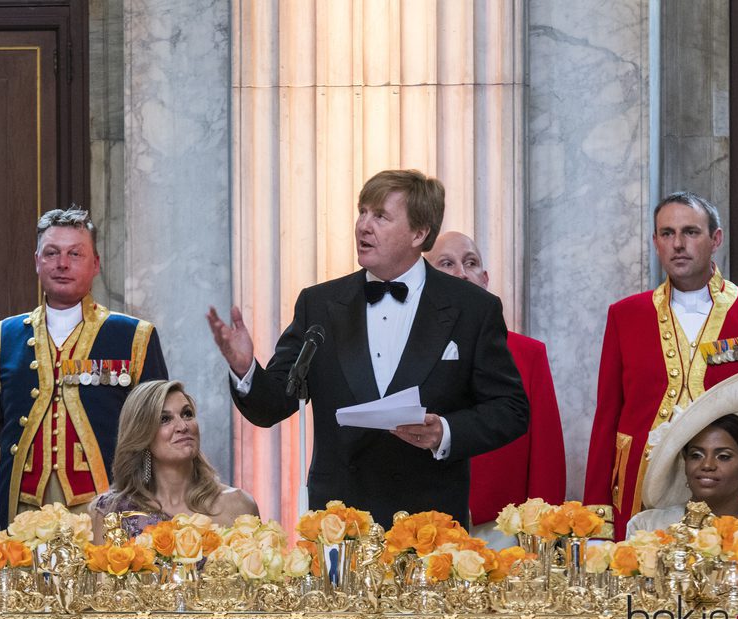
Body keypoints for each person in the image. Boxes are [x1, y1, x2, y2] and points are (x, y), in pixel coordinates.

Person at [206, 169, 529, 528]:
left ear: (419, 233)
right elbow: (272, 405)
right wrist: (245, 368)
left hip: (431, 527)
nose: (363, 225)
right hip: (341, 524)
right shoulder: (321, 304)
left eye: (380, 216)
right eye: (362, 212)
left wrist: (446, 431)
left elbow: (510, 409)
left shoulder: (472, 307)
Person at [585, 191, 738, 540]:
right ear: (655, 242)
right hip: (644, 488)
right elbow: (608, 416)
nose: (678, 244)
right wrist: (598, 514)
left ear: (715, 239)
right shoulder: (626, 315)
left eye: (690, 232)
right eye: (667, 234)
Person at [0, 207, 168, 528]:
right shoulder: (3, 336)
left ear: (96, 264)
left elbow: (155, 430)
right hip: (21, 510)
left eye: (75, 253)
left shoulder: (134, 336)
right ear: (36, 261)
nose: (62, 263)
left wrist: (152, 498)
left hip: (107, 509)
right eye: (52, 253)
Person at [425, 232, 565, 547]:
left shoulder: (528, 354)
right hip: (426, 527)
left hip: (504, 531)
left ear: (485, 279)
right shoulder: (408, 352)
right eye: (446, 263)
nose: (461, 272)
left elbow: (546, 454)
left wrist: (542, 532)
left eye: (471, 262)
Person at [627, 365, 738, 537]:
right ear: (685, 461)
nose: (707, 465)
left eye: (723, 456)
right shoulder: (647, 527)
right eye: (696, 455)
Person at [90, 380, 259, 541]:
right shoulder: (110, 512)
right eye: (165, 419)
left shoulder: (239, 505)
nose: (183, 426)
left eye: (187, 414)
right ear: (142, 434)